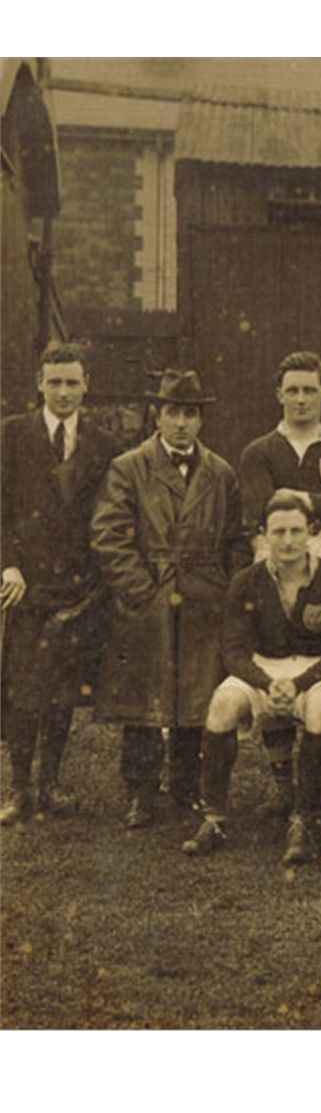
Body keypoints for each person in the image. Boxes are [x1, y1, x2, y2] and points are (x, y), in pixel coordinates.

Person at [90, 370, 250, 828]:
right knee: (144, 701)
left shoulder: (220, 472)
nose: (181, 423)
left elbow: (237, 539)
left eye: (191, 414)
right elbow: (108, 536)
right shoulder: (129, 466)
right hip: (149, 599)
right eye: (173, 413)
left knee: (196, 699)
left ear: (201, 421)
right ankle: (140, 791)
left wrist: (227, 586)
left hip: (205, 598)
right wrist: (141, 590)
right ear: (157, 416)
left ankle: (187, 787)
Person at [181, 492, 321, 864]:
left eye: (296, 531)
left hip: (316, 668)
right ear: (262, 535)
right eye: (278, 532)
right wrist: (265, 683)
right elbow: (233, 650)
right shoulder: (246, 581)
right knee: (222, 706)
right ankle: (213, 817)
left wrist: (300, 684)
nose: (288, 541)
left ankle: (304, 817)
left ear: (312, 531)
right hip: (264, 668)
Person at [1, 342, 120, 824]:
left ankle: (50, 785)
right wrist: (8, 565)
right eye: (55, 382)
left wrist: (95, 579)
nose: (64, 391)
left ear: (86, 385)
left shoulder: (104, 445)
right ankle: (19, 790)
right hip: (27, 586)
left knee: (63, 693)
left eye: (73, 382)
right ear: (39, 384)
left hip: (79, 589)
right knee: (25, 691)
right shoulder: (11, 437)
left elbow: (109, 516)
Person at [238, 350, 321, 571]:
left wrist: (305, 499)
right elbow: (261, 508)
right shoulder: (257, 452)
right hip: (277, 545)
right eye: (293, 391)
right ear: (280, 395)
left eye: (309, 391)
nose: (300, 400)